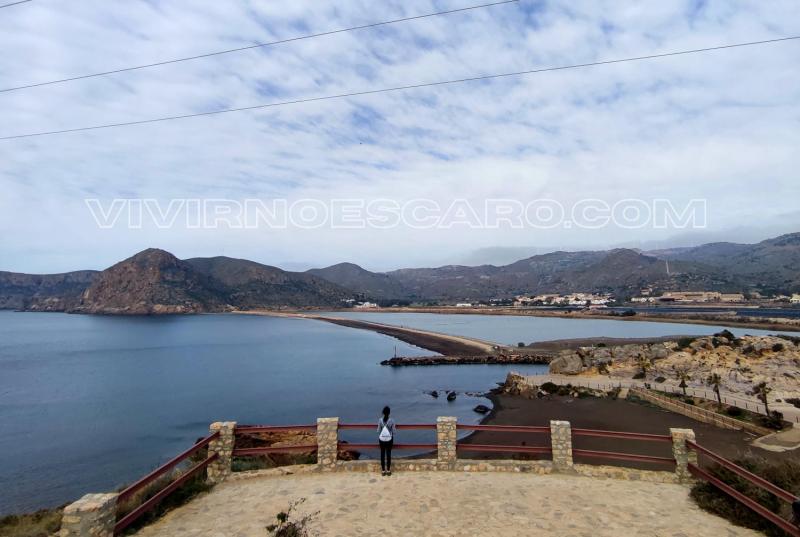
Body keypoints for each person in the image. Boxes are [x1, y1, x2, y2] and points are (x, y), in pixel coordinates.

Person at [377, 406, 395, 476]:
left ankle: (383, 471)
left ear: (383, 413)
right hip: (389, 439)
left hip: (381, 440)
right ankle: (388, 470)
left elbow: (378, 430)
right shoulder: (392, 420)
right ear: (389, 413)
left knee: (382, 453)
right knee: (388, 453)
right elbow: (394, 431)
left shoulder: (380, 420)